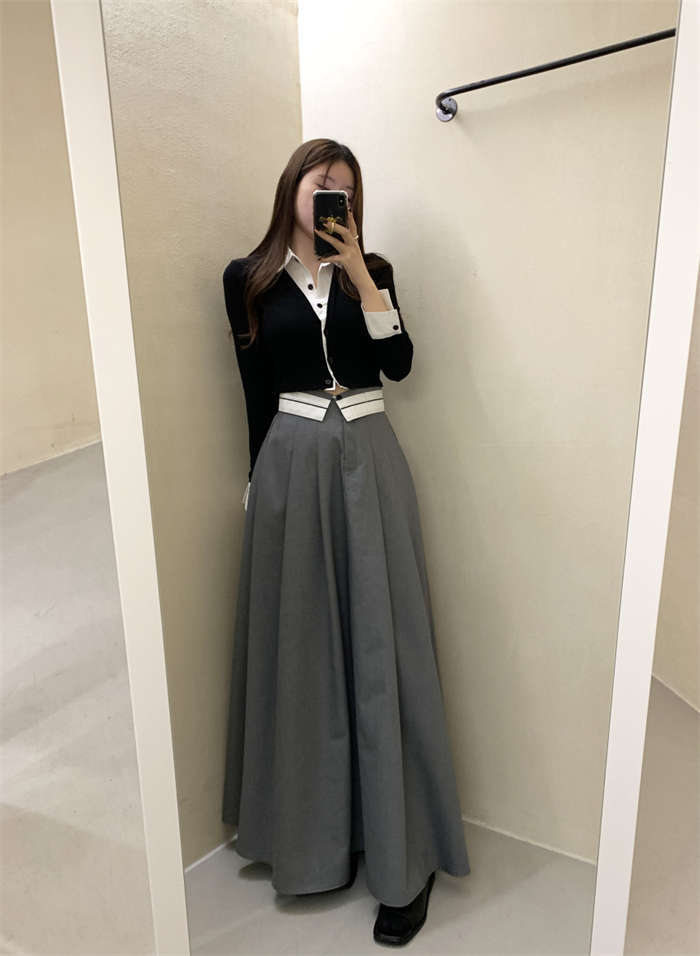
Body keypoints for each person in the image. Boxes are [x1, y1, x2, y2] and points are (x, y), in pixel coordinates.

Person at [221, 138, 470, 946]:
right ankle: (315, 837)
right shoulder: (247, 279)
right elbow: (254, 391)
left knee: (385, 652)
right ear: (290, 185)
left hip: (370, 455)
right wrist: (259, 487)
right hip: (290, 466)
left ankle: (405, 856)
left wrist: (360, 271)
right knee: (305, 652)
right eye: (323, 183)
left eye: (348, 190)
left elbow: (399, 364)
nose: (335, 197)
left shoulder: (376, 270)